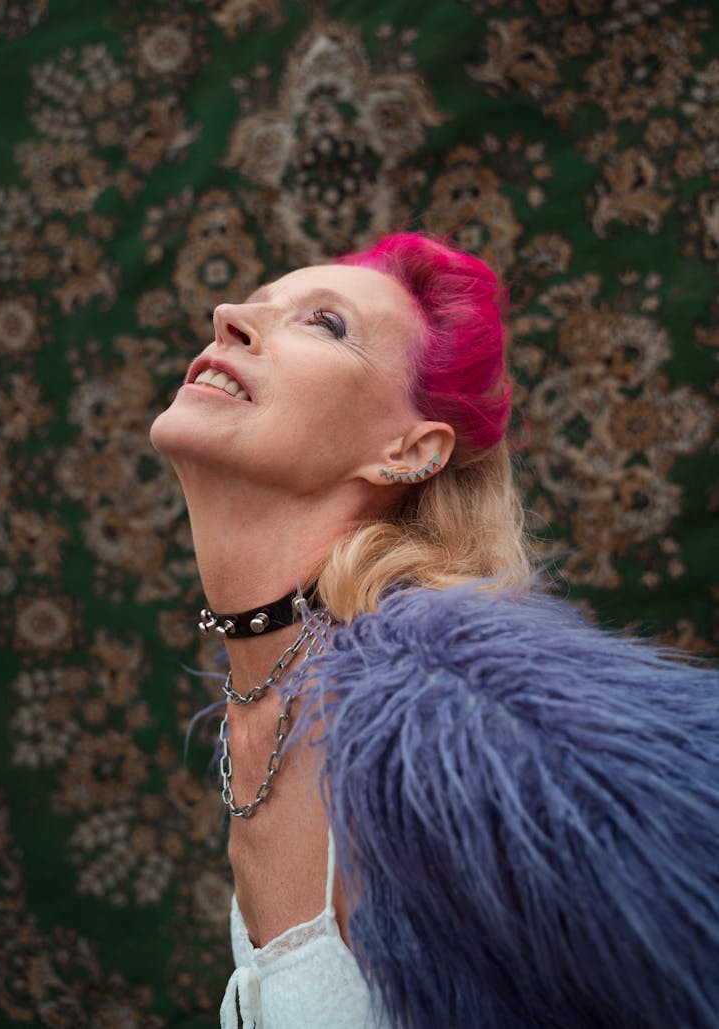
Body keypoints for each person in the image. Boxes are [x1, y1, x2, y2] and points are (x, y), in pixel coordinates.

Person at [150, 232, 719, 1029]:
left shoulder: (450, 713)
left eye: (323, 322)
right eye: (254, 301)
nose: (229, 316)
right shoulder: (263, 706)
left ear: (407, 451)